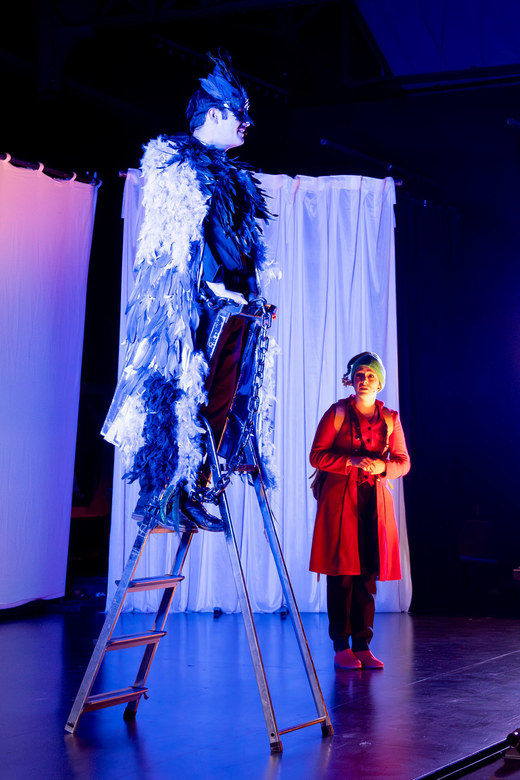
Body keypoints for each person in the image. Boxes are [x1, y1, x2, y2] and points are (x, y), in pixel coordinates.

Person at [101, 53, 274, 531]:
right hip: (191, 309)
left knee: (220, 396)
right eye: (239, 113)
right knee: (180, 393)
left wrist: (250, 293)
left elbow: (241, 246)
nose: (247, 123)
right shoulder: (177, 164)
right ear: (214, 114)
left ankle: (194, 485)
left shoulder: (233, 177)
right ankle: (163, 494)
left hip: (231, 307)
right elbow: (179, 242)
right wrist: (206, 290)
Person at [309, 351, 410, 669]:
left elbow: (403, 462)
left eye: (370, 376)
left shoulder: (390, 418)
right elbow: (316, 456)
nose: (364, 380)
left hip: (374, 503)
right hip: (340, 503)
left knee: (367, 575)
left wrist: (383, 466)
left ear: (379, 383)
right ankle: (341, 645)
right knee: (341, 574)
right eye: (359, 375)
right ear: (351, 381)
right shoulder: (338, 412)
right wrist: (349, 461)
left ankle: (363, 645)